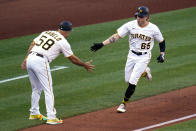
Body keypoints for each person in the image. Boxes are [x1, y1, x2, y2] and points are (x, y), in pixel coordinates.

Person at [90, 6, 165, 113]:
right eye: (138, 16)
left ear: (148, 17)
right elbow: (116, 36)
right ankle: (145, 72)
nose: (139, 19)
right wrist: (102, 44)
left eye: (141, 17)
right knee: (127, 79)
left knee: (132, 81)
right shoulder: (130, 25)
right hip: (131, 55)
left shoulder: (153, 28)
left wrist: (162, 54)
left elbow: (161, 41)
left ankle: (123, 104)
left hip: (144, 57)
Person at [21, 21, 94, 124]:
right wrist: (84, 64)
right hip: (41, 61)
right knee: (48, 90)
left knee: (36, 88)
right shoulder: (63, 41)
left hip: (30, 58)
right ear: (67, 32)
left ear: (59, 29)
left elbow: (33, 43)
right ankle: (51, 117)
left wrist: (26, 59)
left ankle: (34, 112)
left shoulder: (46, 32)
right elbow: (72, 58)